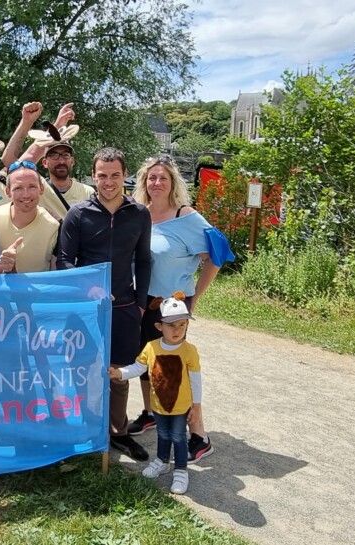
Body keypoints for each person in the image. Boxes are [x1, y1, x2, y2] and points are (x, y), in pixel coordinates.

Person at [127, 156, 233, 463]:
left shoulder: (186, 216)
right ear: (143, 183)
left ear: (173, 183)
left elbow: (217, 254)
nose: (156, 183)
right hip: (145, 301)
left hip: (174, 302)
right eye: (151, 178)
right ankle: (149, 412)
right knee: (147, 358)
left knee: (175, 369)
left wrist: (196, 297)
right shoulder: (140, 215)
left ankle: (198, 435)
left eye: (163, 178)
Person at [58, 147, 151, 461]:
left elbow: (144, 259)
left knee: (118, 373)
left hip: (124, 307)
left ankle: (119, 433)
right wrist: (89, 287)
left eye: (115, 175)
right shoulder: (78, 213)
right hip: (85, 308)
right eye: (102, 175)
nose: (108, 182)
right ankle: (85, 430)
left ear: (125, 175)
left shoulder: (140, 214)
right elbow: (64, 261)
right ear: (92, 176)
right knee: (83, 371)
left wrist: (139, 303)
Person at [108, 296, 201, 495]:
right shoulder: (151, 347)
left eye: (182, 325)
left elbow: (196, 380)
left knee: (178, 436)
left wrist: (196, 406)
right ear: (159, 326)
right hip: (158, 405)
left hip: (180, 406)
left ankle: (181, 470)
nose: (177, 330)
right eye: (171, 325)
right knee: (163, 434)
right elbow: (137, 368)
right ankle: (162, 461)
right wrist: (119, 373)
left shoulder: (189, 351)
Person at [0, 160, 59, 273]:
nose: (26, 195)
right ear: (7, 192)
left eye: (32, 187)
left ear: (41, 189)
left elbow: (56, 271)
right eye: (18, 188)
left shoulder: (54, 226)